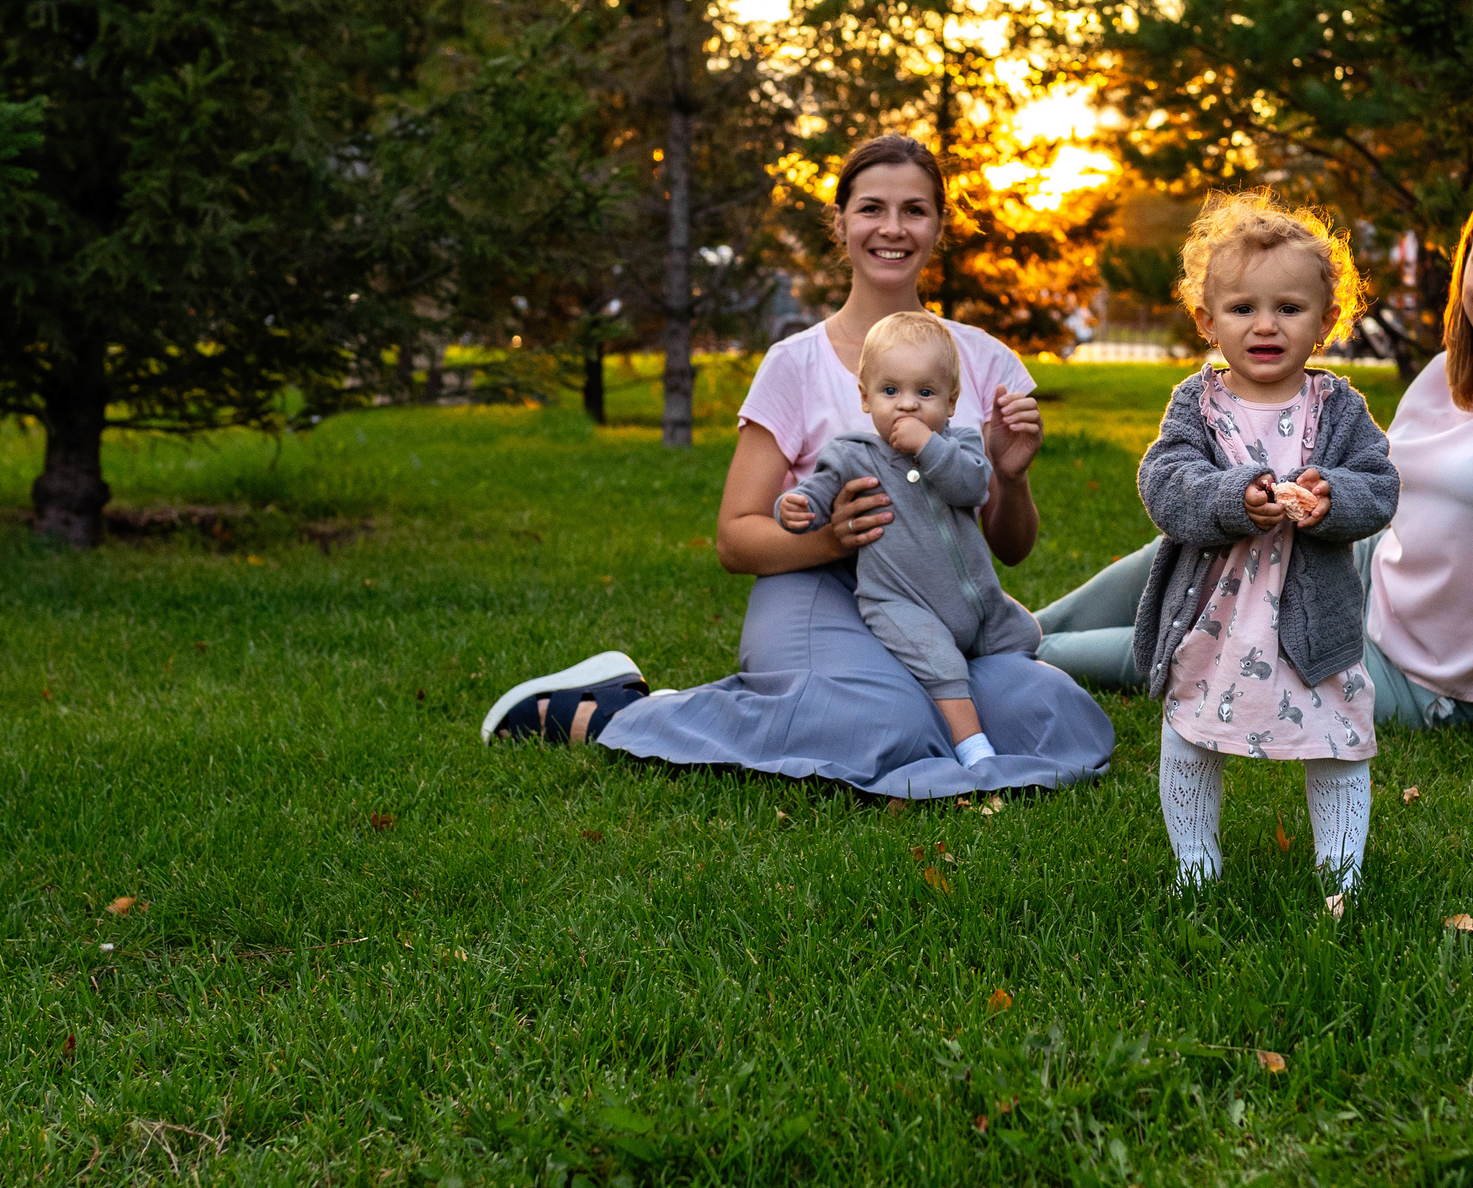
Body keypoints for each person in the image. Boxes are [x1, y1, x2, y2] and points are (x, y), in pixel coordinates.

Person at [479, 133, 1112, 799]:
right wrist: (832, 536)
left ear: (938, 225)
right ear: (839, 223)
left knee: (1054, 713)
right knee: (880, 726)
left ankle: (901, 712)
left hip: (936, 605)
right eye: (871, 208)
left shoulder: (984, 361)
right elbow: (735, 537)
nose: (892, 228)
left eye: (914, 210)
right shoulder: (795, 363)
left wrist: (1011, 478)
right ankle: (613, 711)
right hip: (817, 589)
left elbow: (1010, 550)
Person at [1036, 178, 1473, 766]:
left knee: (1220, 642)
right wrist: (1320, 496)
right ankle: (1017, 629)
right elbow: (1377, 481)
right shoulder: (1446, 371)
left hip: (1424, 675)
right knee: (1211, 535)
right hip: (1362, 572)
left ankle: (1030, 655)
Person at [1130, 194, 1399, 908]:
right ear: (1207, 320)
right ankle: (1195, 861)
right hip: (1213, 615)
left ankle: (1342, 873)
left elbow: (1380, 484)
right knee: (1190, 729)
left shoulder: (1339, 408)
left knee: (1336, 735)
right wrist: (1229, 500)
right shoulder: (1197, 403)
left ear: (1326, 322)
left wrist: (1331, 496)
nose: (1266, 325)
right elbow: (1164, 481)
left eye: (1289, 307)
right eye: (1243, 307)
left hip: (1310, 622)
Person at [778, 310, 1040, 768]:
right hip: (898, 602)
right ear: (865, 397)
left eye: (925, 392)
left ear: (952, 402)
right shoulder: (851, 454)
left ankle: (1020, 705)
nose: (907, 405)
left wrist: (927, 444)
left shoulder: (960, 444)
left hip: (975, 599)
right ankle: (974, 751)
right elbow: (817, 493)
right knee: (943, 665)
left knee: (1027, 636)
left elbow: (972, 487)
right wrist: (796, 507)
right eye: (890, 391)